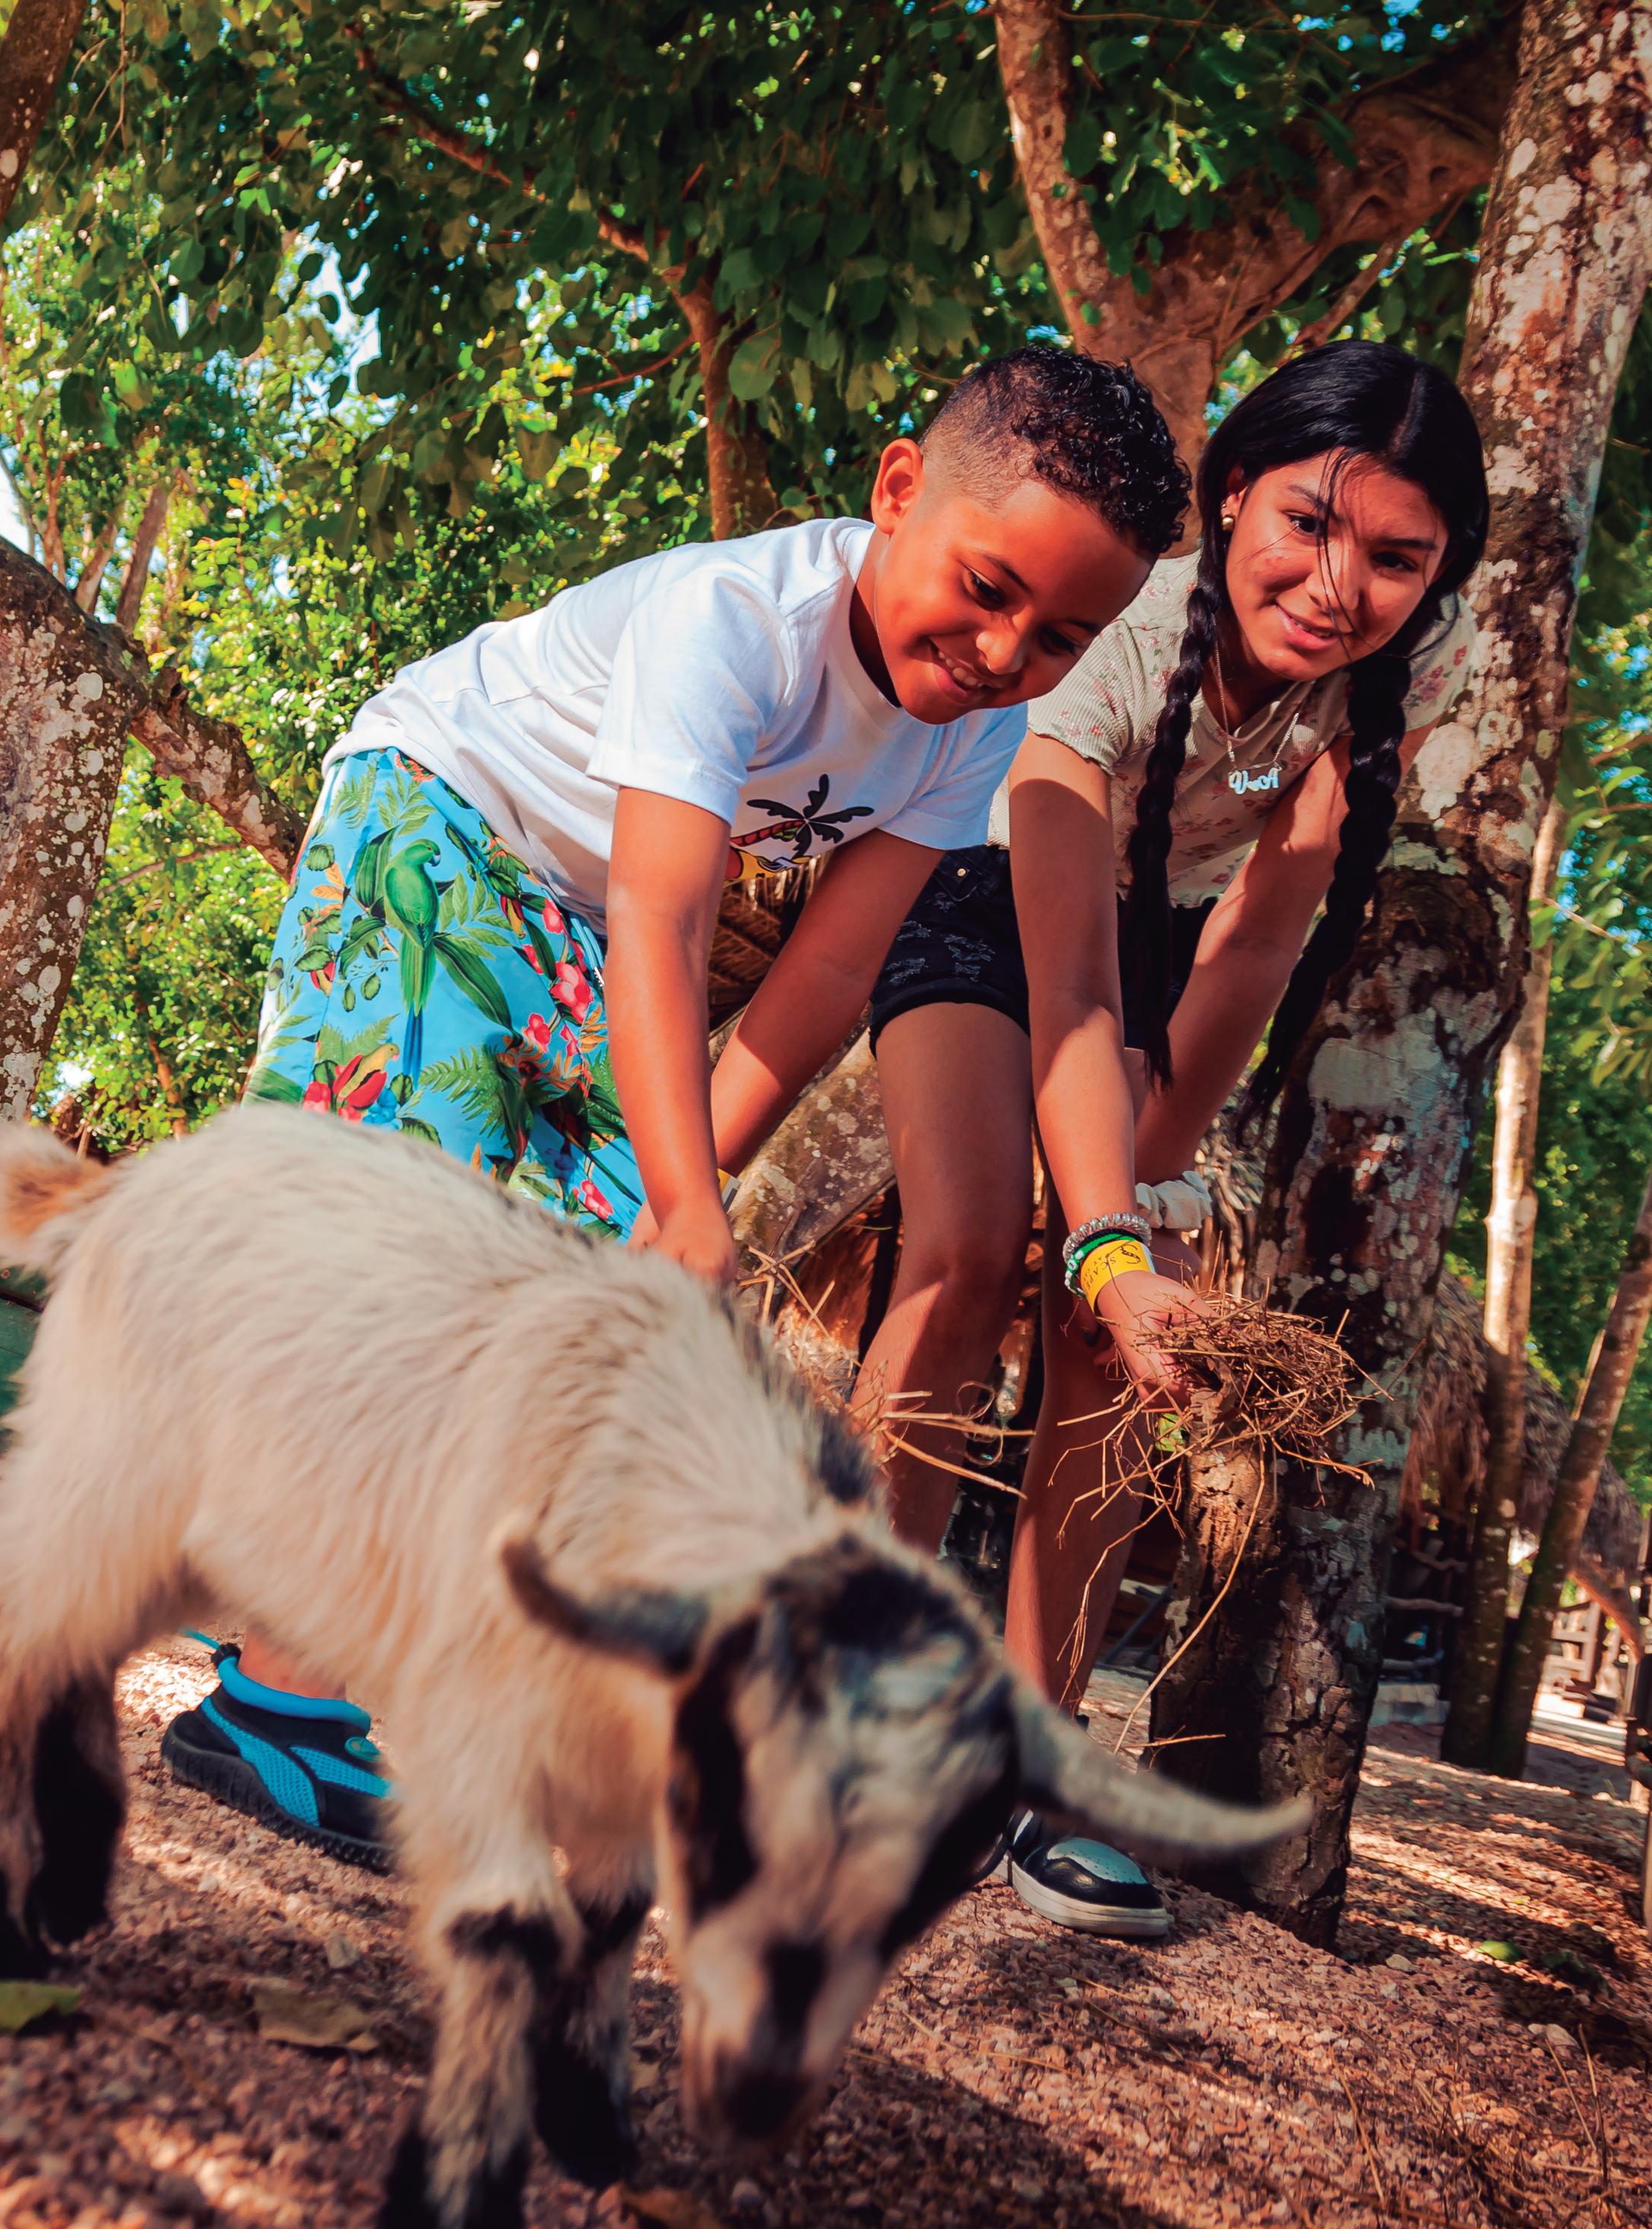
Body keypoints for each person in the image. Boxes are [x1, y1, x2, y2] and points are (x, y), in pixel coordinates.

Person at [159, 347, 1192, 1864]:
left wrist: (669, 1198)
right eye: (986, 589)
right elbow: (667, 914)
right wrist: (688, 1205)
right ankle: (277, 1709)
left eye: (1060, 637)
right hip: (440, 814)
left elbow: (828, 970)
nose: (1001, 651)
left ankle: (340, 1647)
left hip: (575, 918)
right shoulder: (735, 622)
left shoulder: (970, 734)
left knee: (576, 1284)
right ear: (897, 487)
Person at [852, 341, 1489, 1936]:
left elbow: (1253, 947)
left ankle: (1032, 1770)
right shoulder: (1125, 632)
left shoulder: (1387, 686)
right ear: (1231, 499)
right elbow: (1062, 978)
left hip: (1149, 965)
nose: (1338, 586)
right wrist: (1098, 1232)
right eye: (1306, 525)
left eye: (1395, 557)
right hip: (975, 901)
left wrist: (1137, 1213)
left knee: (1136, 1344)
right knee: (966, 1250)